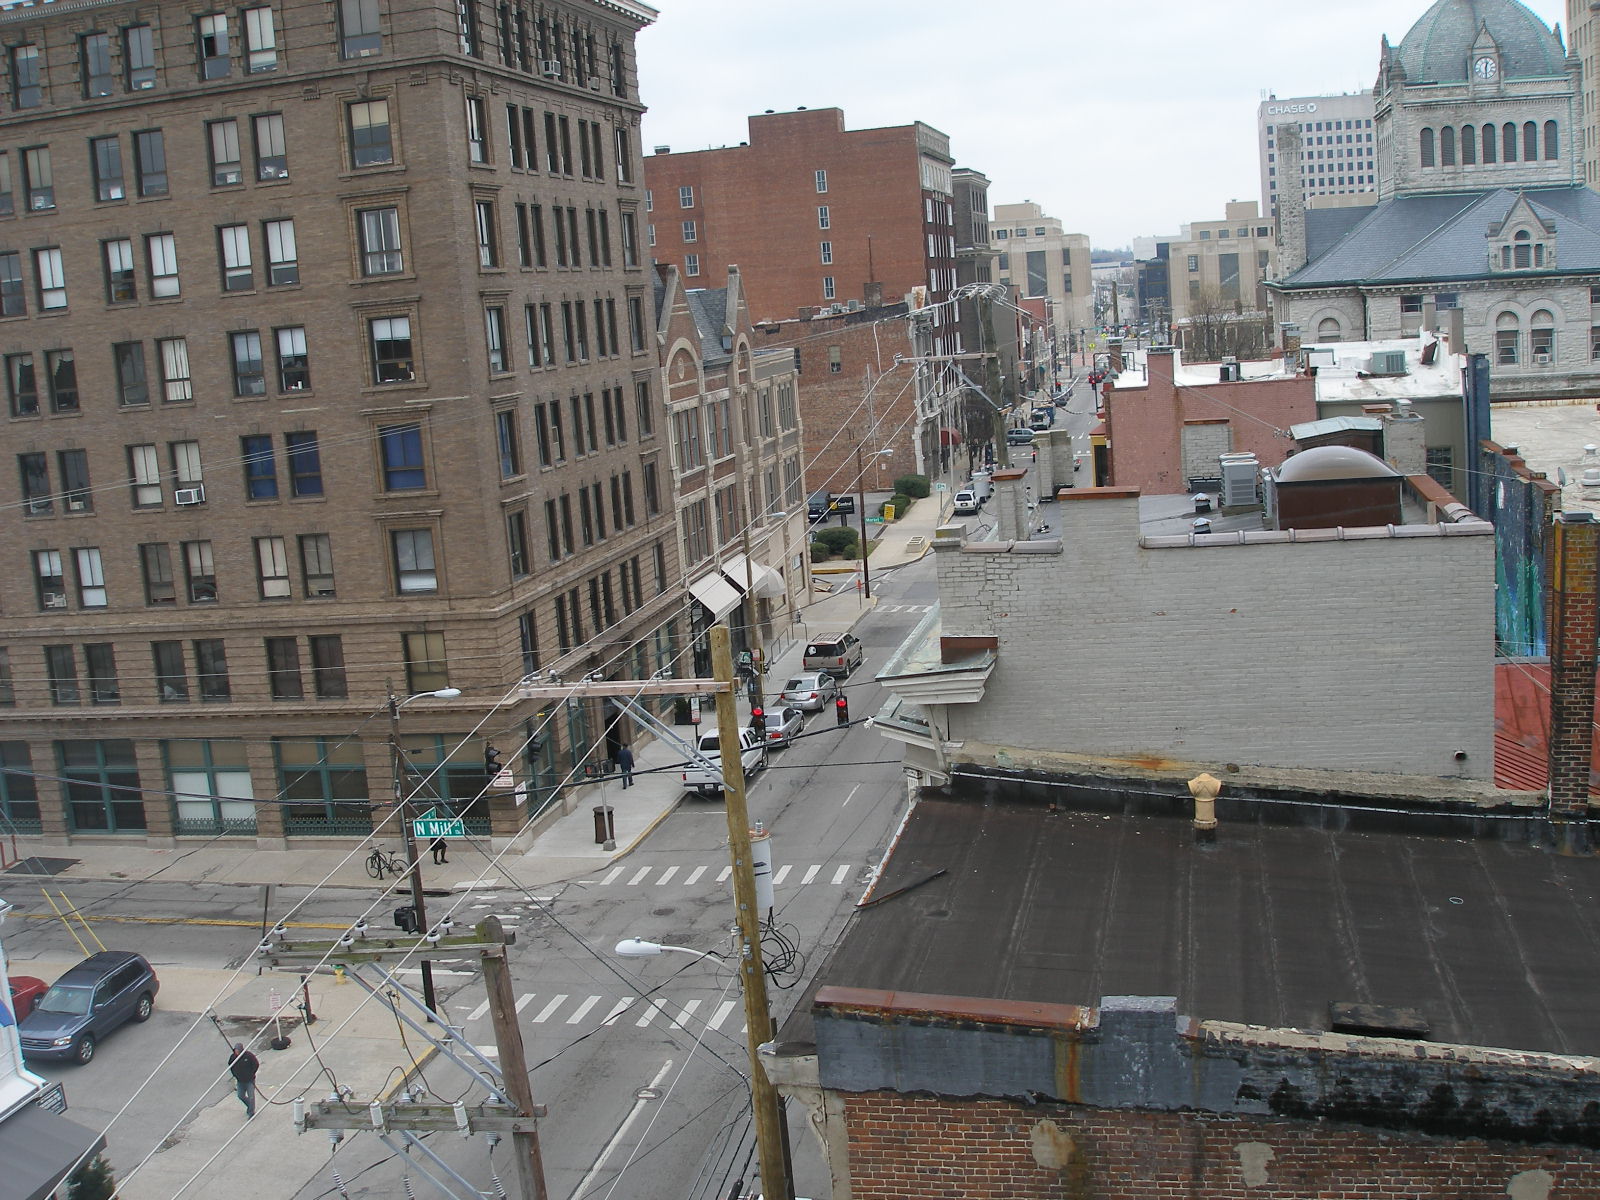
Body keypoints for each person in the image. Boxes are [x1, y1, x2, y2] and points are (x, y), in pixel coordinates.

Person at [228, 1043, 259, 1118]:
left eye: (238, 1050)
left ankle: (251, 1112)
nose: (236, 1052)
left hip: (249, 1081)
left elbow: (256, 1064)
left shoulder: (249, 1056)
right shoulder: (233, 1057)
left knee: (251, 1096)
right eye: (235, 1050)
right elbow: (230, 1065)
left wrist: (251, 1074)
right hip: (240, 1081)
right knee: (240, 1095)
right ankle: (250, 1106)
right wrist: (235, 1075)